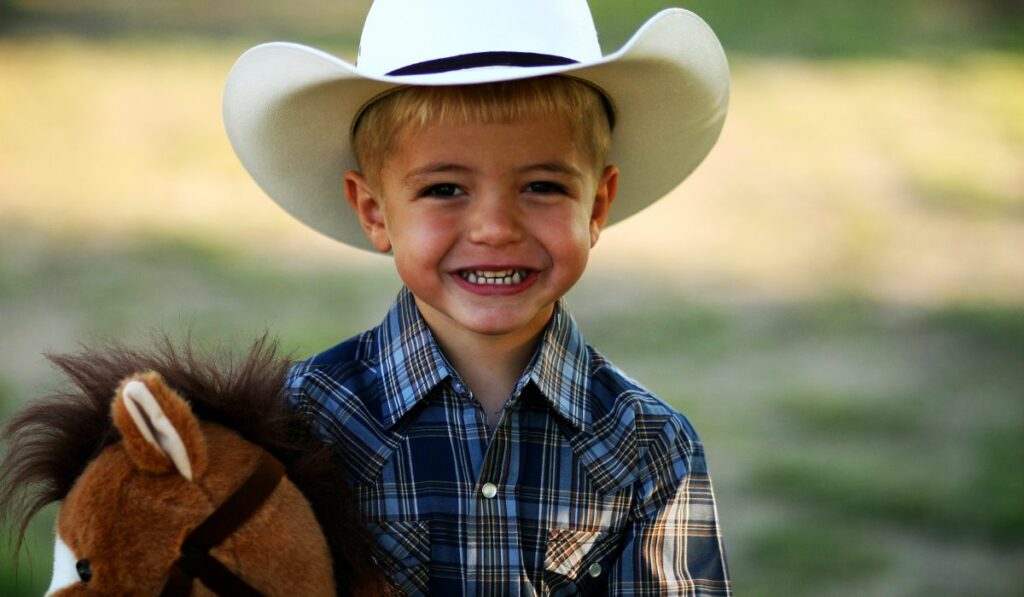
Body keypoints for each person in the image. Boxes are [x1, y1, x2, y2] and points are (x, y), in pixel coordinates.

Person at [223, 0, 731, 594]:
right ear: (373, 210)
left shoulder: (649, 445)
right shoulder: (299, 423)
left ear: (596, 206)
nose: (495, 228)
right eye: (445, 189)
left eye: (542, 186)